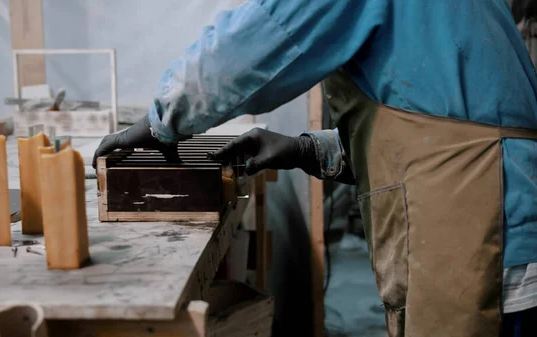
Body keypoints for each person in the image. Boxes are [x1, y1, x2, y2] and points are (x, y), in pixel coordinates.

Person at [93, 1, 537, 336]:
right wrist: (306, 150)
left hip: (487, 238)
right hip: (500, 210)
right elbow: (436, 126)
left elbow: (255, 44)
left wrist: (161, 121)